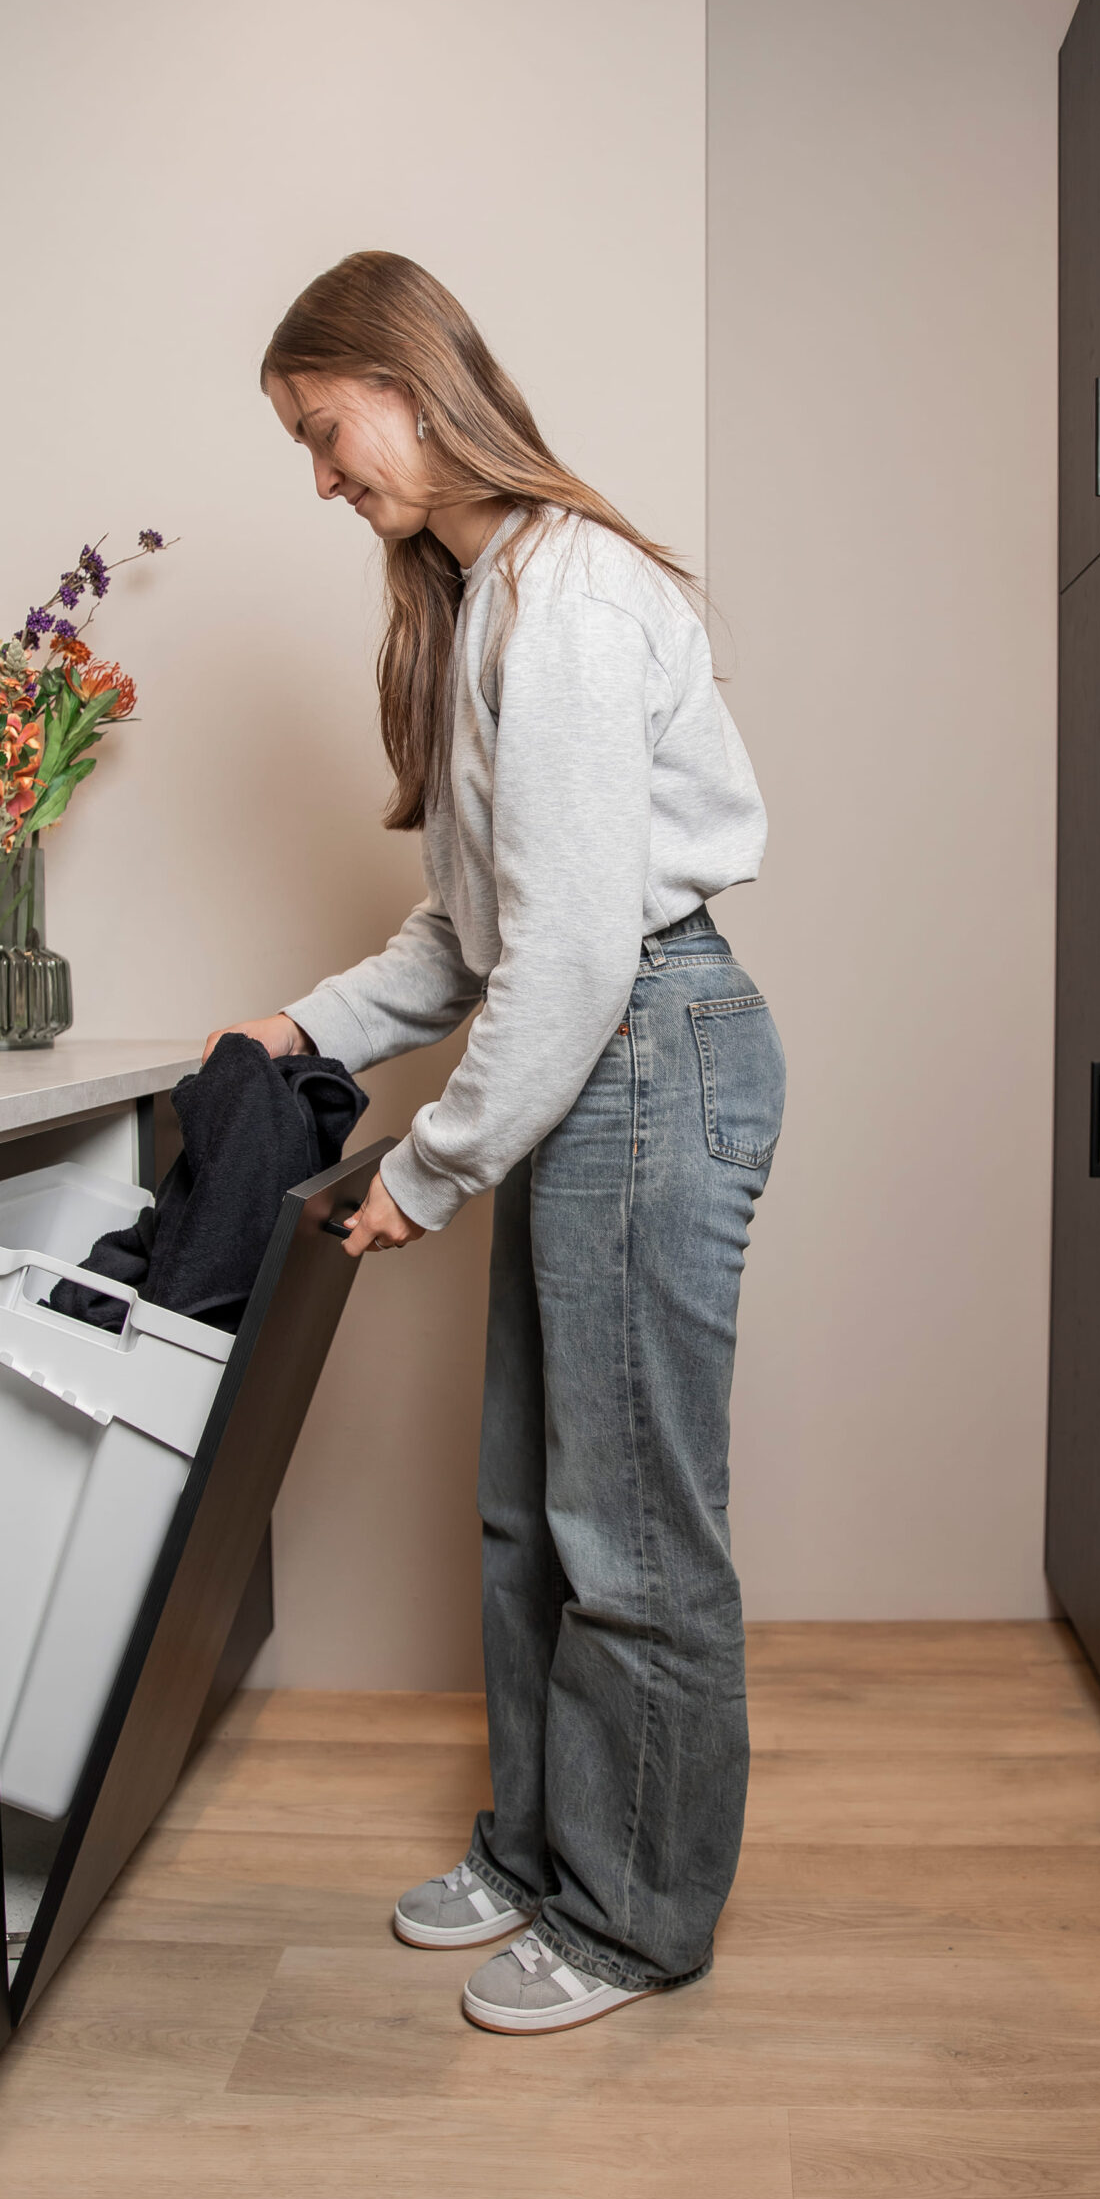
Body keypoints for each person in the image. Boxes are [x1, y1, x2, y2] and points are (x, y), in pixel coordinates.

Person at [206, 252, 784, 2034]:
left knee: (628, 1531)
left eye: (325, 430)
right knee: (533, 1515)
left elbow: (585, 953)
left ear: (409, 377)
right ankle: (544, 1853)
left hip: (648, 1046)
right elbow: (470, 939)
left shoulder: (573, 599)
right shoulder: (480, 607)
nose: (321, 478)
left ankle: (634, 1917)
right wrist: (302, 1028)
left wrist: (425, 1169)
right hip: (590, 1057)